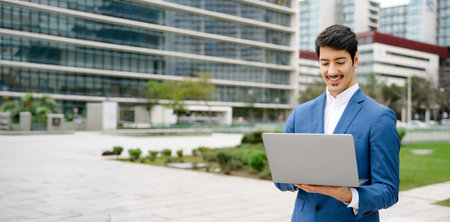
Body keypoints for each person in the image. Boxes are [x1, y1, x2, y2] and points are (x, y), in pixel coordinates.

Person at [275, 24, 400, 221]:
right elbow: (280, 179)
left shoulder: (379, 117)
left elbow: (389, 191)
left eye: (339, 62)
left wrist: (346, 195)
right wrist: (294, 178)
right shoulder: (300, 113)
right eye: (325, 63)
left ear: (355, 60)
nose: (331, 71)